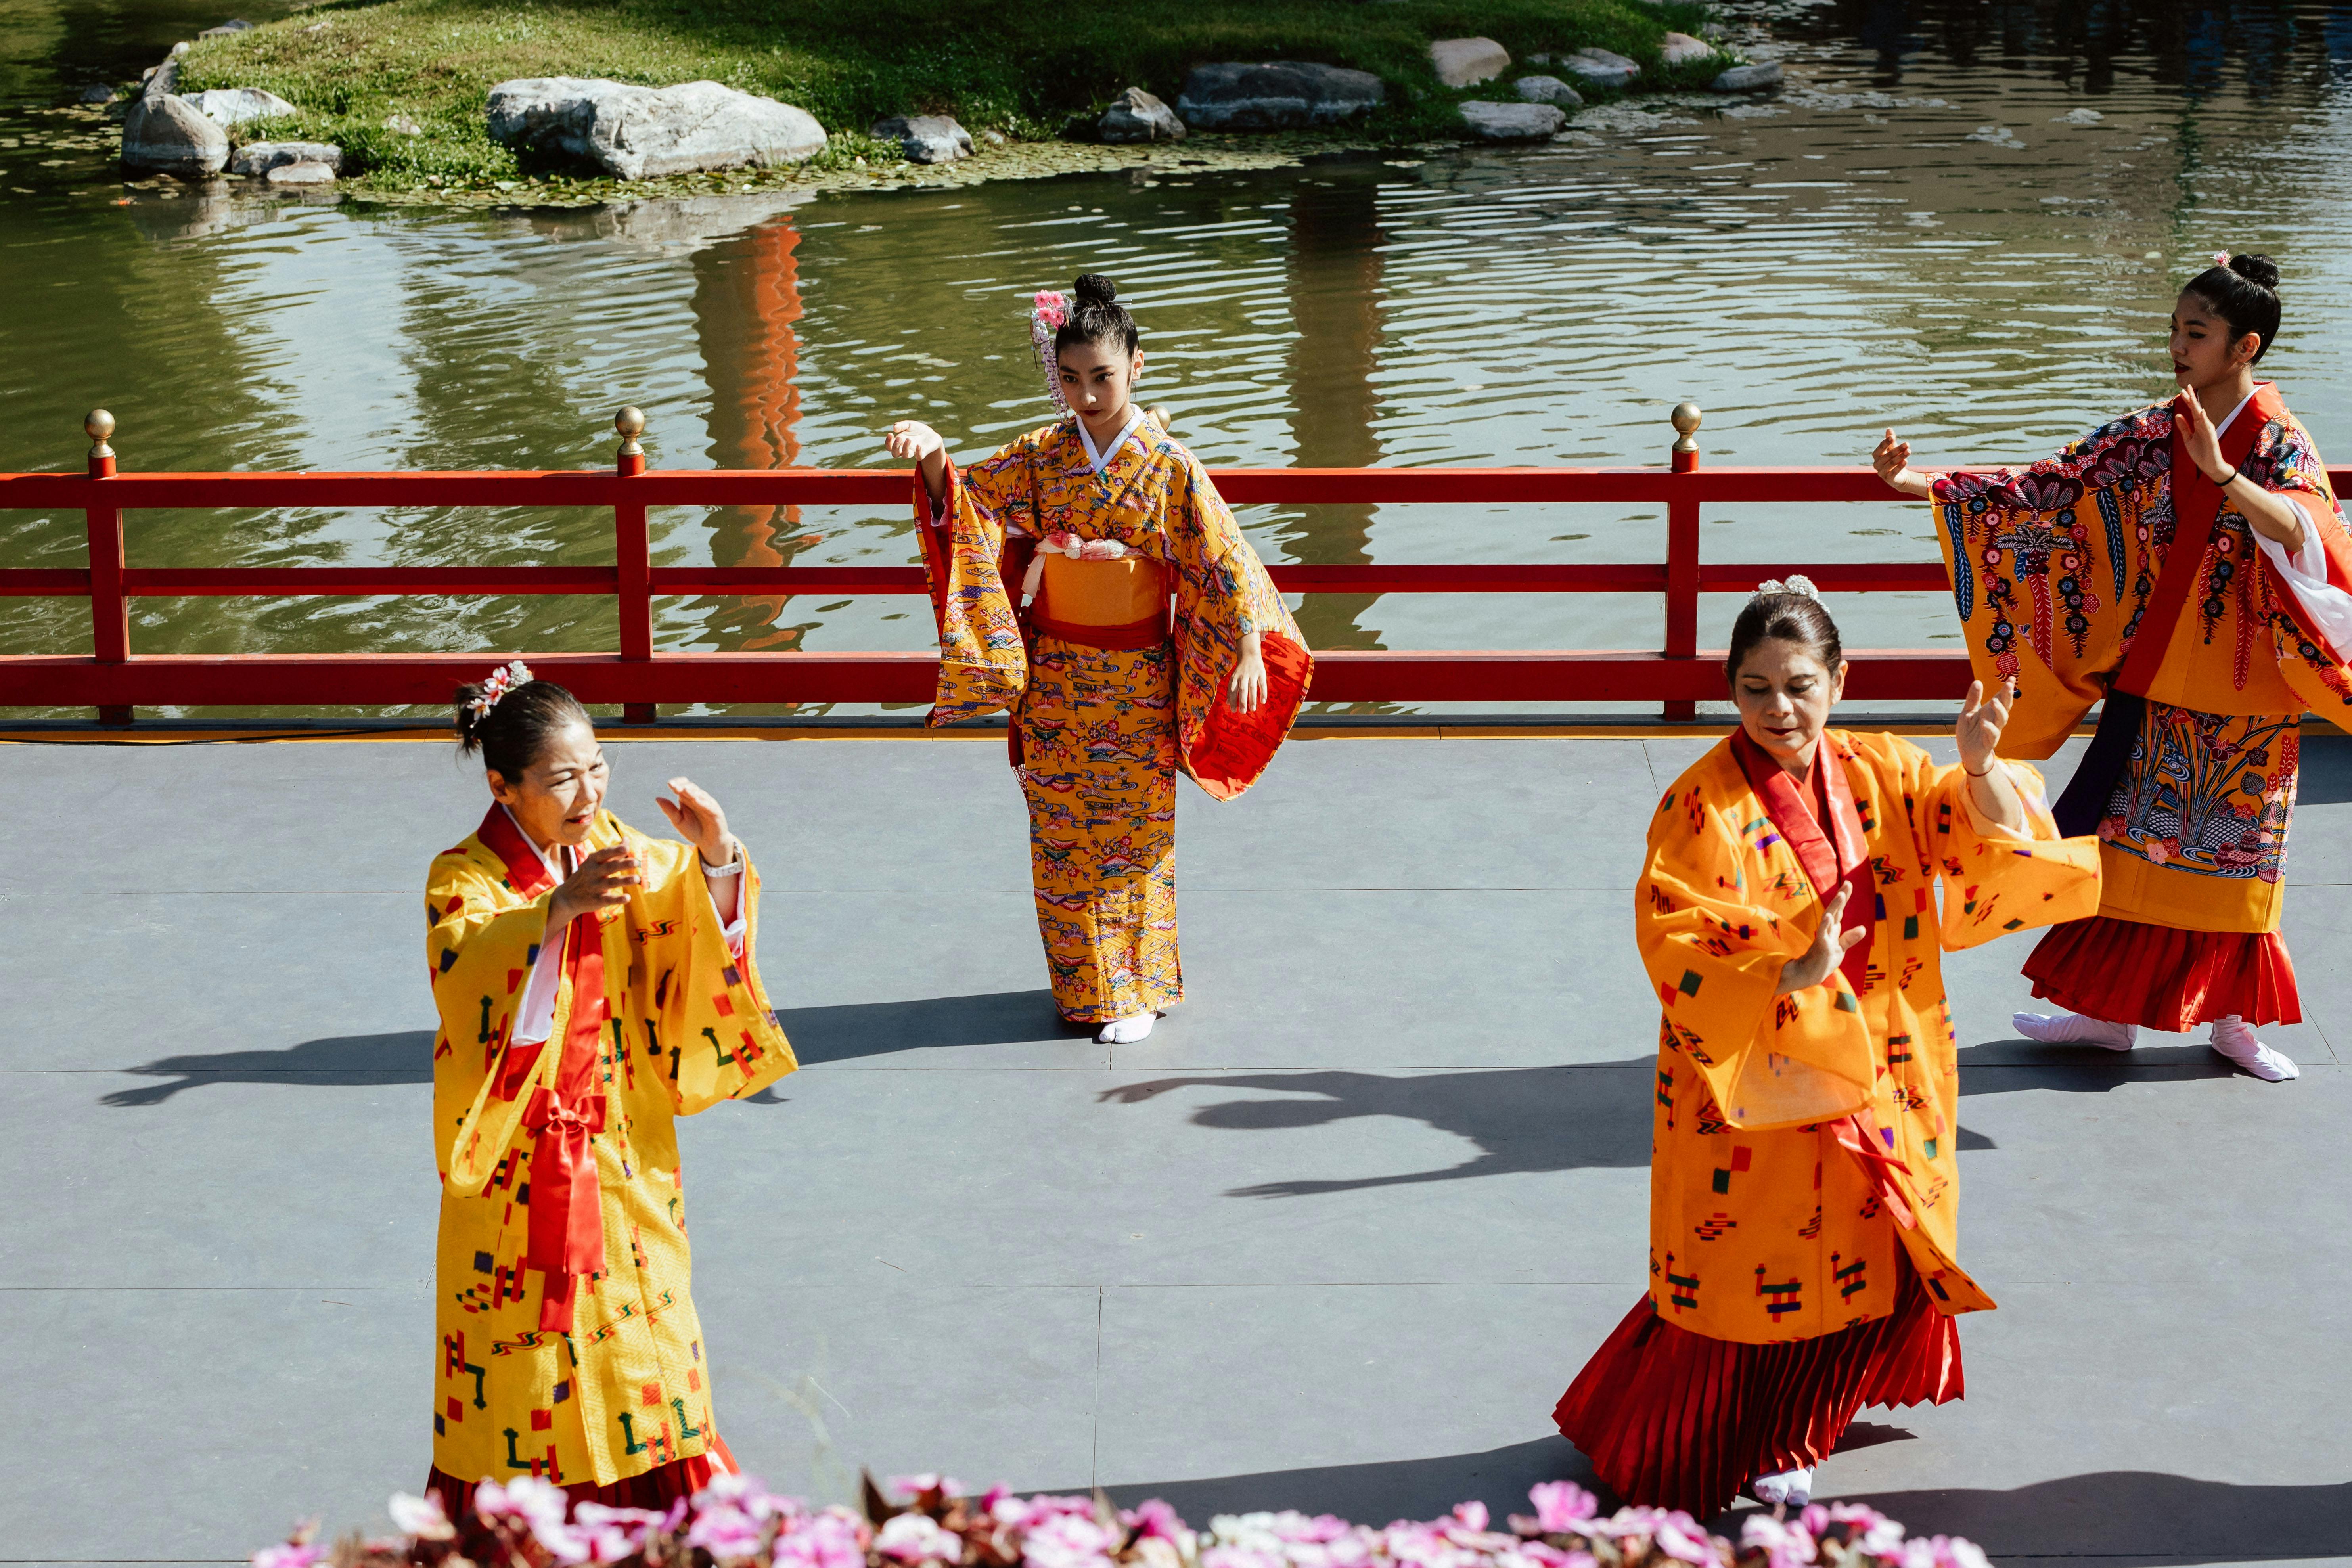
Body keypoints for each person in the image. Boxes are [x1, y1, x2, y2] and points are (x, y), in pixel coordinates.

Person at [1552, 582, 2098, 1516]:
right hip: (1763, 1064)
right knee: (1759, 1254)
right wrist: (1783, 966)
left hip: (1891, 1045)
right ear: (1729, 690)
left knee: (1876, 1233)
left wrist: (1976, 771)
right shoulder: (1700, 806)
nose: (1778, 709)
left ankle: (1817, 1407)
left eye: (1799, 685)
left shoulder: (1884, 767)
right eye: (1755, 687)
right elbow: (1672, 928)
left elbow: (1977, 849)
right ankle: (1766, 1431)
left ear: (1839, 681)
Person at [1875, 252, 2352, 1083]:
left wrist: (2221, 474)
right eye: (2173, 329)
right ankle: (2103, 1016)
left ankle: (2233, 1023)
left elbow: (2303, 532)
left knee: (2234, 858)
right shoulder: (2149, 432)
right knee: (2127, 850)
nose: (2176, 345)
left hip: (2248, 692)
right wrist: (1920, 482)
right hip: (2159, 678)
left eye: (2194, 334)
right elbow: (2050, 490)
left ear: (2243, 347)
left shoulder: (2277, 440)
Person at [883, 273, 1312, 1045]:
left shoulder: (1169, 466)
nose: (1086, 396)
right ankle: (1082, 985)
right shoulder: (1044, 456)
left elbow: (1223, 559)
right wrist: (935, 455)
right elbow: (973, 503)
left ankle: (1139, 987)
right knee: (1058, 834)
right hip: (1054, 676)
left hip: (1136, 678)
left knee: (1131, 834)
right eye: (1072, 379)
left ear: (1136, 367)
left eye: (1103, 378)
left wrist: (1247, 644)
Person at [422, 663, 795, 1514]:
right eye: (560, 777)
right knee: (520, 1362)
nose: (586, 791)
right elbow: (464, 965)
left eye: (597, 767)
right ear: (503, 785)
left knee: (648, 1346)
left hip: (624, 1145)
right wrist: (549, 913)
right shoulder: (464, 878)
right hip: (518, 1172)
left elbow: (695, 927)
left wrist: (716, 856)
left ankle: (684, 1522)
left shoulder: (623, 857)